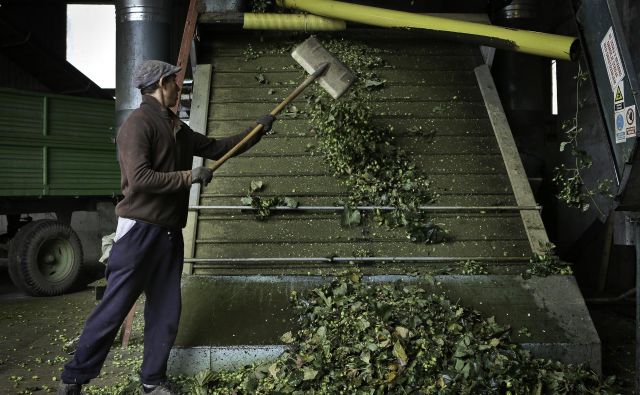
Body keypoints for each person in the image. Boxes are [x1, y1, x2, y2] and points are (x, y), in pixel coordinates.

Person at [57, 60, 275, 395]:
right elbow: (140, 179)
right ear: (161, 84)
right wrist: (189, 176)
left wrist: (256, 131)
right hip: (139, 231)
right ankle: (74, 379)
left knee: (166, 310)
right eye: (175, 82)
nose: (179, 87)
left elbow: (217, 147)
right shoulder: (137, 125)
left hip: (169, 233)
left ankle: (152, 381)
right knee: (114, 308)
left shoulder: (177, 127)